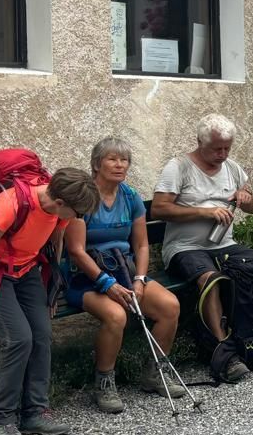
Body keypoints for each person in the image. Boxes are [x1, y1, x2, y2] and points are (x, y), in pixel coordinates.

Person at [0, 167, 99, 435]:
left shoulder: (60, 210)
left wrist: (52, 288)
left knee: (42, 335)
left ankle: (35, 412)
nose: (78, 218)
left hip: (28, 271)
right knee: (19, 339)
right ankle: (1, 418)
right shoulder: (12, 204)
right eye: (78, 213)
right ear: (59, 202)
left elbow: (56, 241)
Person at [152, 114, 253, 383]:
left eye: (227, 148)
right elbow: (159, 209)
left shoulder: (232, 168)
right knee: (211, 279)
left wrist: (246, 199)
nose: (223, 154)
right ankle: (224, 353)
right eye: (217, 148)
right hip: (185, 248)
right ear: (199, 142)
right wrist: (204, 212)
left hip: (225, 244)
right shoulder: (178, 167)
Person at [64, 137, 187, 414]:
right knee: (116, 315)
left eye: (124, 160)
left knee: (169, 306)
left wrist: (140, 279)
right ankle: (104, 382)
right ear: (97, 164)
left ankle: (155, 372)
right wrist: (106, 284)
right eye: (112, 159)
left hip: (124, 272)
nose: (120, 165)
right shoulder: (83, 198)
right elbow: (76, 251)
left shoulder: (130, 197)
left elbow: (141, 245)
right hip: (86, 279)